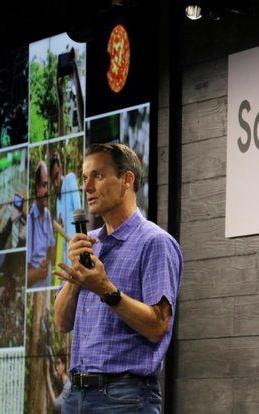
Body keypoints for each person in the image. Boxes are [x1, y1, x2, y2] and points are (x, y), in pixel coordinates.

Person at [54, 143, 182, 414]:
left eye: (97, 176)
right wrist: (76, 280)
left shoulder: (154, 242)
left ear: (127, 180)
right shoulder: (88, 245)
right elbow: (61, 322)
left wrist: (106, 289)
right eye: (84, 177)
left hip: (124, 398)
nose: (87, 186)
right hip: (75, 396)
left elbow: (158, 325)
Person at [50, 150, 82, 266]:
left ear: (61, 170)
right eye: (53, 179)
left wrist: (82, 241)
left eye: (57, 176)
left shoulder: (69, 179)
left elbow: (78, 210)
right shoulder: (57, 197)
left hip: (76, 245)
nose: (56, 183)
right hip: (65, 252)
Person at [27, 160, 56, 288]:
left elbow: (51, 253)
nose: (47, 191)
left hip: (47, 288)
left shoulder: (48, 214)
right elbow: (21, 274)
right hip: (34, 291)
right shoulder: (29, 220)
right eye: (44, 185)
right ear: (37, 188)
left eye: (48, 185)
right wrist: (37, 273)